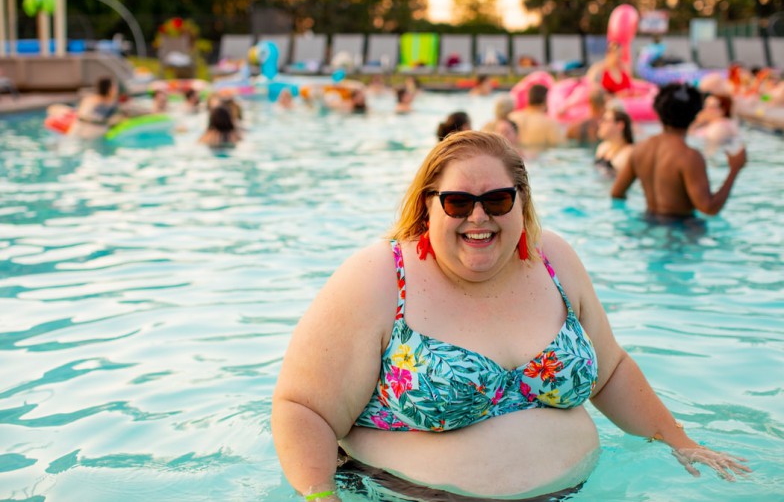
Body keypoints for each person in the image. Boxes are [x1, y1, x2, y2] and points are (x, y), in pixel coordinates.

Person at [272, 130, 750, 502]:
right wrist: (320, 496)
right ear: (428, 206)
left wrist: (682, 443)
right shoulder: (378, 276)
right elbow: (302, 409)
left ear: (521, 201)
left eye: (497, 200)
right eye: (458, 202)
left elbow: (612, 372)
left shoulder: (553, 259)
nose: (478, 217)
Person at [612, 83, 747, 217]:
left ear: (658, 111)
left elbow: (617, 193)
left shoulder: (640, 149)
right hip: (683, 232)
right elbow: (708, 207)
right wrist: (734, 170)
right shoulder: (689, 156)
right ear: (695, 115)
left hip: (648, 222)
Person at [508, 84, 564, 149]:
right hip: (537, 156)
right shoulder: (550, 124)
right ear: (546, 99)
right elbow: (560, 147)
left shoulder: (511, 117)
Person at [595, 108, 634, 174]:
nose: (600, 124)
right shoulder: (602, 147)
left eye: (605, 121)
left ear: (620, 125)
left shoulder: (629, 153)